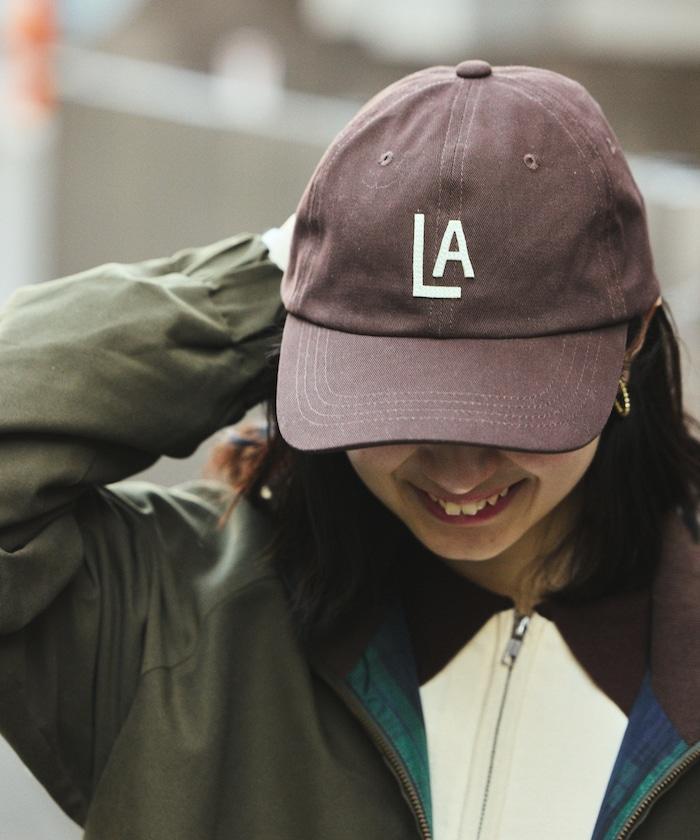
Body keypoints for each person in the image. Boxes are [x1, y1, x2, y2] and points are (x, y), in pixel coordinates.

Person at [0, 59, 699, 840]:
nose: (458, 472)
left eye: (511, 411)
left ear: (631, 340)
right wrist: (288, 281)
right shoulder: (183, 629)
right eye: (397, 404)